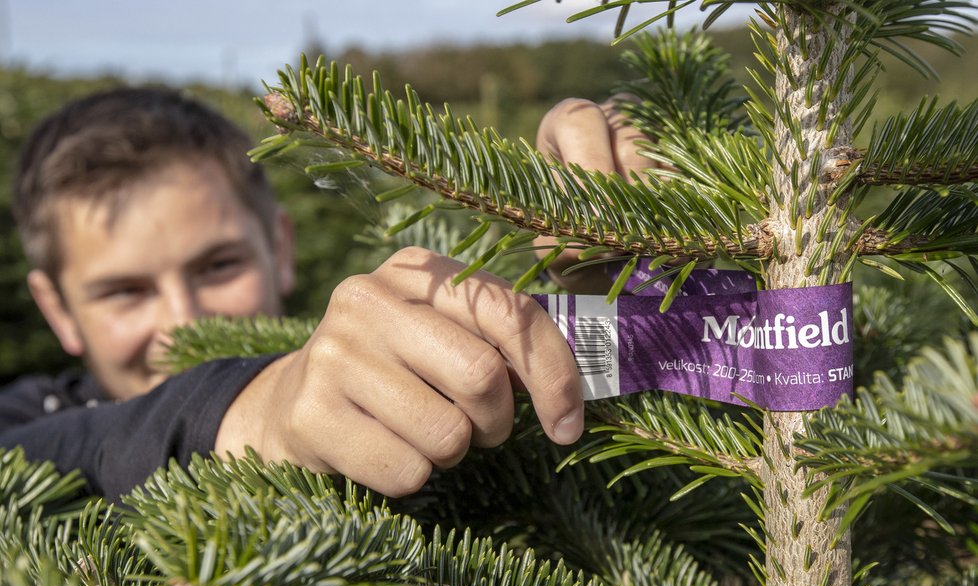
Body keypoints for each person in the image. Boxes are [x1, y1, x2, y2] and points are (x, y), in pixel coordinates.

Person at [0, 87, 644, 502]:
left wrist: (634, 248)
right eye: (124, 292)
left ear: (280, 249)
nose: (183, 321)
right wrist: (244, 409)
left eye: (219, 265)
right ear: (57, 308)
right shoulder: (27, 423)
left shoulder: (371, 358)